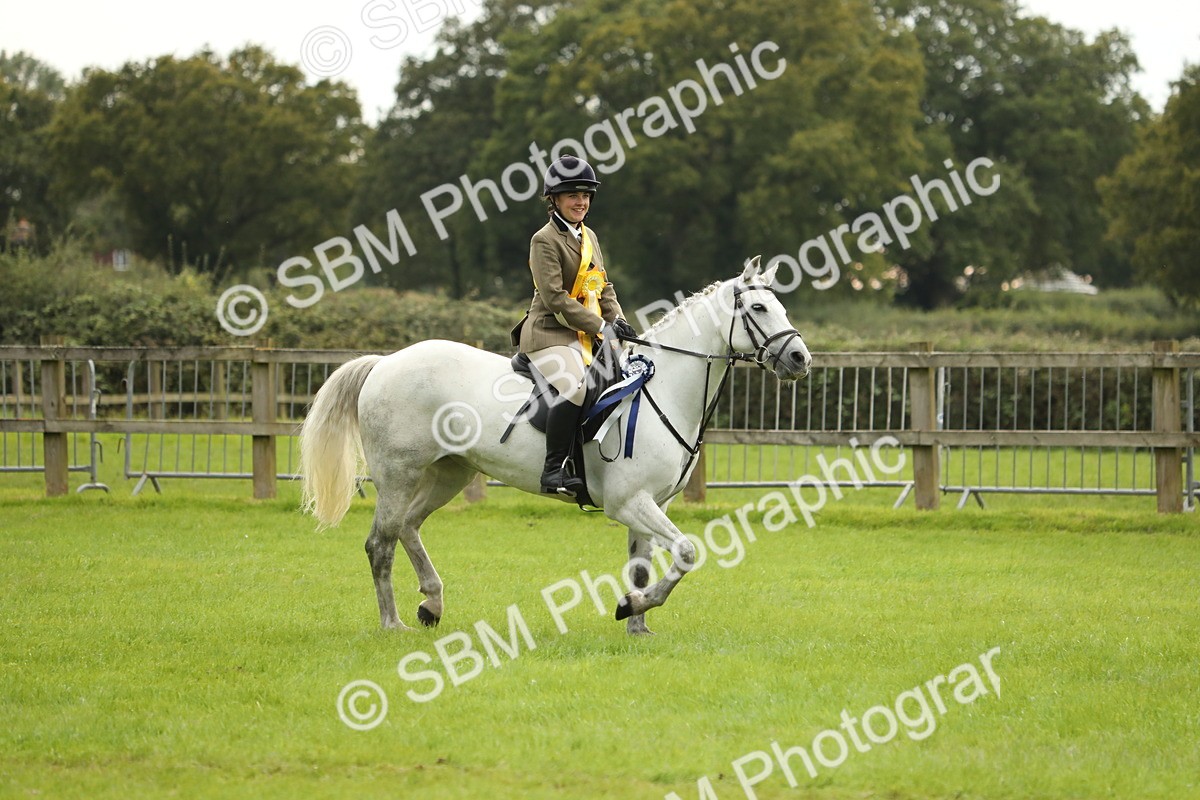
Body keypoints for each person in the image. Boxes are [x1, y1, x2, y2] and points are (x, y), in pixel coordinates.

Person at [510, 155, 636, 497]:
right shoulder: (544, 240)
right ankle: (553, 471)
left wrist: (619, 323)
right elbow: (554, 298)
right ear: (555, 200)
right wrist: (600, 326)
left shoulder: (589, 236)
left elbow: (602, 286)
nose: (581, 201)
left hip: (583, 332)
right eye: (572, 195)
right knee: (576, 387)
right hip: (548, 333)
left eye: (586, 195)